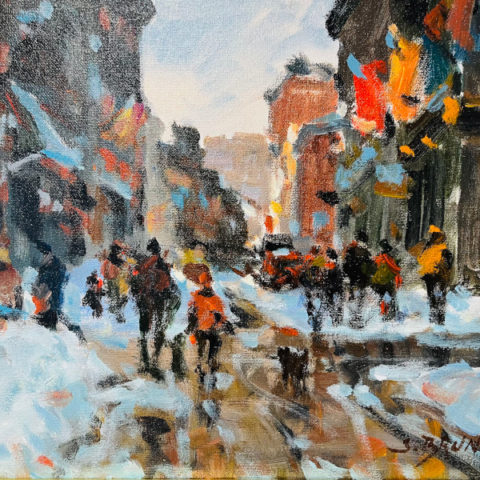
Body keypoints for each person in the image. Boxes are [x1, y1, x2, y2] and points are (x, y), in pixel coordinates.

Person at [132, 238, 181, 376]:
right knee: (159, 326)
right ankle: (154, 359)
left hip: (150, 297)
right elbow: (168, 283)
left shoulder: (149, 262)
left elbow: (138, 273)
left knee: (145, 329)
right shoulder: (162, 263)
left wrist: (137, 270)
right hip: (161, 297)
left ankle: (146, 360)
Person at [185, 270, 233, 383]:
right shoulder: (197, 297)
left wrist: (223, 323)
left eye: (207, 282)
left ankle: (211, 366)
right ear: (201, 284)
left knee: (216, 342)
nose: (206, 284)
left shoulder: (215, 298)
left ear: (210, 282)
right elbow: (191, 313)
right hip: (200, 329)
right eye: (203, 283)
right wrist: (192, 326)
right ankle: (201, 367)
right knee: (203, 346)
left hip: (211, 329)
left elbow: (221, 315)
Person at [417, 226, 453, 325]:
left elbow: (421, 260)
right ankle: (439, 319)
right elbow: (449, 264)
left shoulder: (428, 248)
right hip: (439, 277)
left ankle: (434, 318)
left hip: (430, 276)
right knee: (440, 297)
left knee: (432, 297)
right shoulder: (444, 250)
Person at [343, 231, 375, 326]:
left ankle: (356, 316)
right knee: (356, 297)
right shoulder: (363, 252)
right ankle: (356, 316)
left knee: (356, 297)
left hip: (357, 279)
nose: (361, 243)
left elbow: (346, 264)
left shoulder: (355, 251)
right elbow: (346, 264)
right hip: (357, 278)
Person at [33, 241, 67, 329]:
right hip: (43, 298)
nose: (42, 257)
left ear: (48, 253)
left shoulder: (57, 266)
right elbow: (40, 279)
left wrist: (46, 297)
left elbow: (55, 285)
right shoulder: (44, 265)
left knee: (52, 319)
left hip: (51, 298)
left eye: (43, 254)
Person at [371, 240, 402, 321]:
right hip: (388, 282)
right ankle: (392, 314)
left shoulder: (378, 257)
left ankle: (384, 314)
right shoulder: (391, 258)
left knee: (382, 298)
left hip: (378, 282)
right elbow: (396, 269)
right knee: (392, 298)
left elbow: (373, 268)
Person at [101, 242, 129, 323]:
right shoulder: (114, 260)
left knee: (115, 298)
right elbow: (124, 265)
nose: (120, 253)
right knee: (117, 298)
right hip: (113, 281)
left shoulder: (109, 259)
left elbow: (104, 271)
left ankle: (115, 312)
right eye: (119, 251)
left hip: (110, 280)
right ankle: (117, 314)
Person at [321, 248, 344, 326]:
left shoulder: (328, 264)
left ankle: (334, 318)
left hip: (331, 287)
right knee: (339, 302)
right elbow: (340, 276)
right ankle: (338, 317)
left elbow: (326, 276)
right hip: (337, 286)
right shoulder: (338, 263)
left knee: (330, 302)